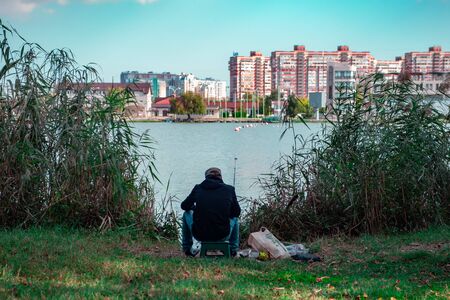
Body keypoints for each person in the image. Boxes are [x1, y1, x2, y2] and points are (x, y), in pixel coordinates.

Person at [181, 167, 241, 257]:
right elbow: (236, 212)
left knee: (186, 213)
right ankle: (233, 250)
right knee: (235, 218)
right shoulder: (229, 189)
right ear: (221, 177)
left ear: (206, 177)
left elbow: (184, 206)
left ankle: (187, 249)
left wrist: (195, 208)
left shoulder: (198, 188)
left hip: (200, 235)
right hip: (223, 235)